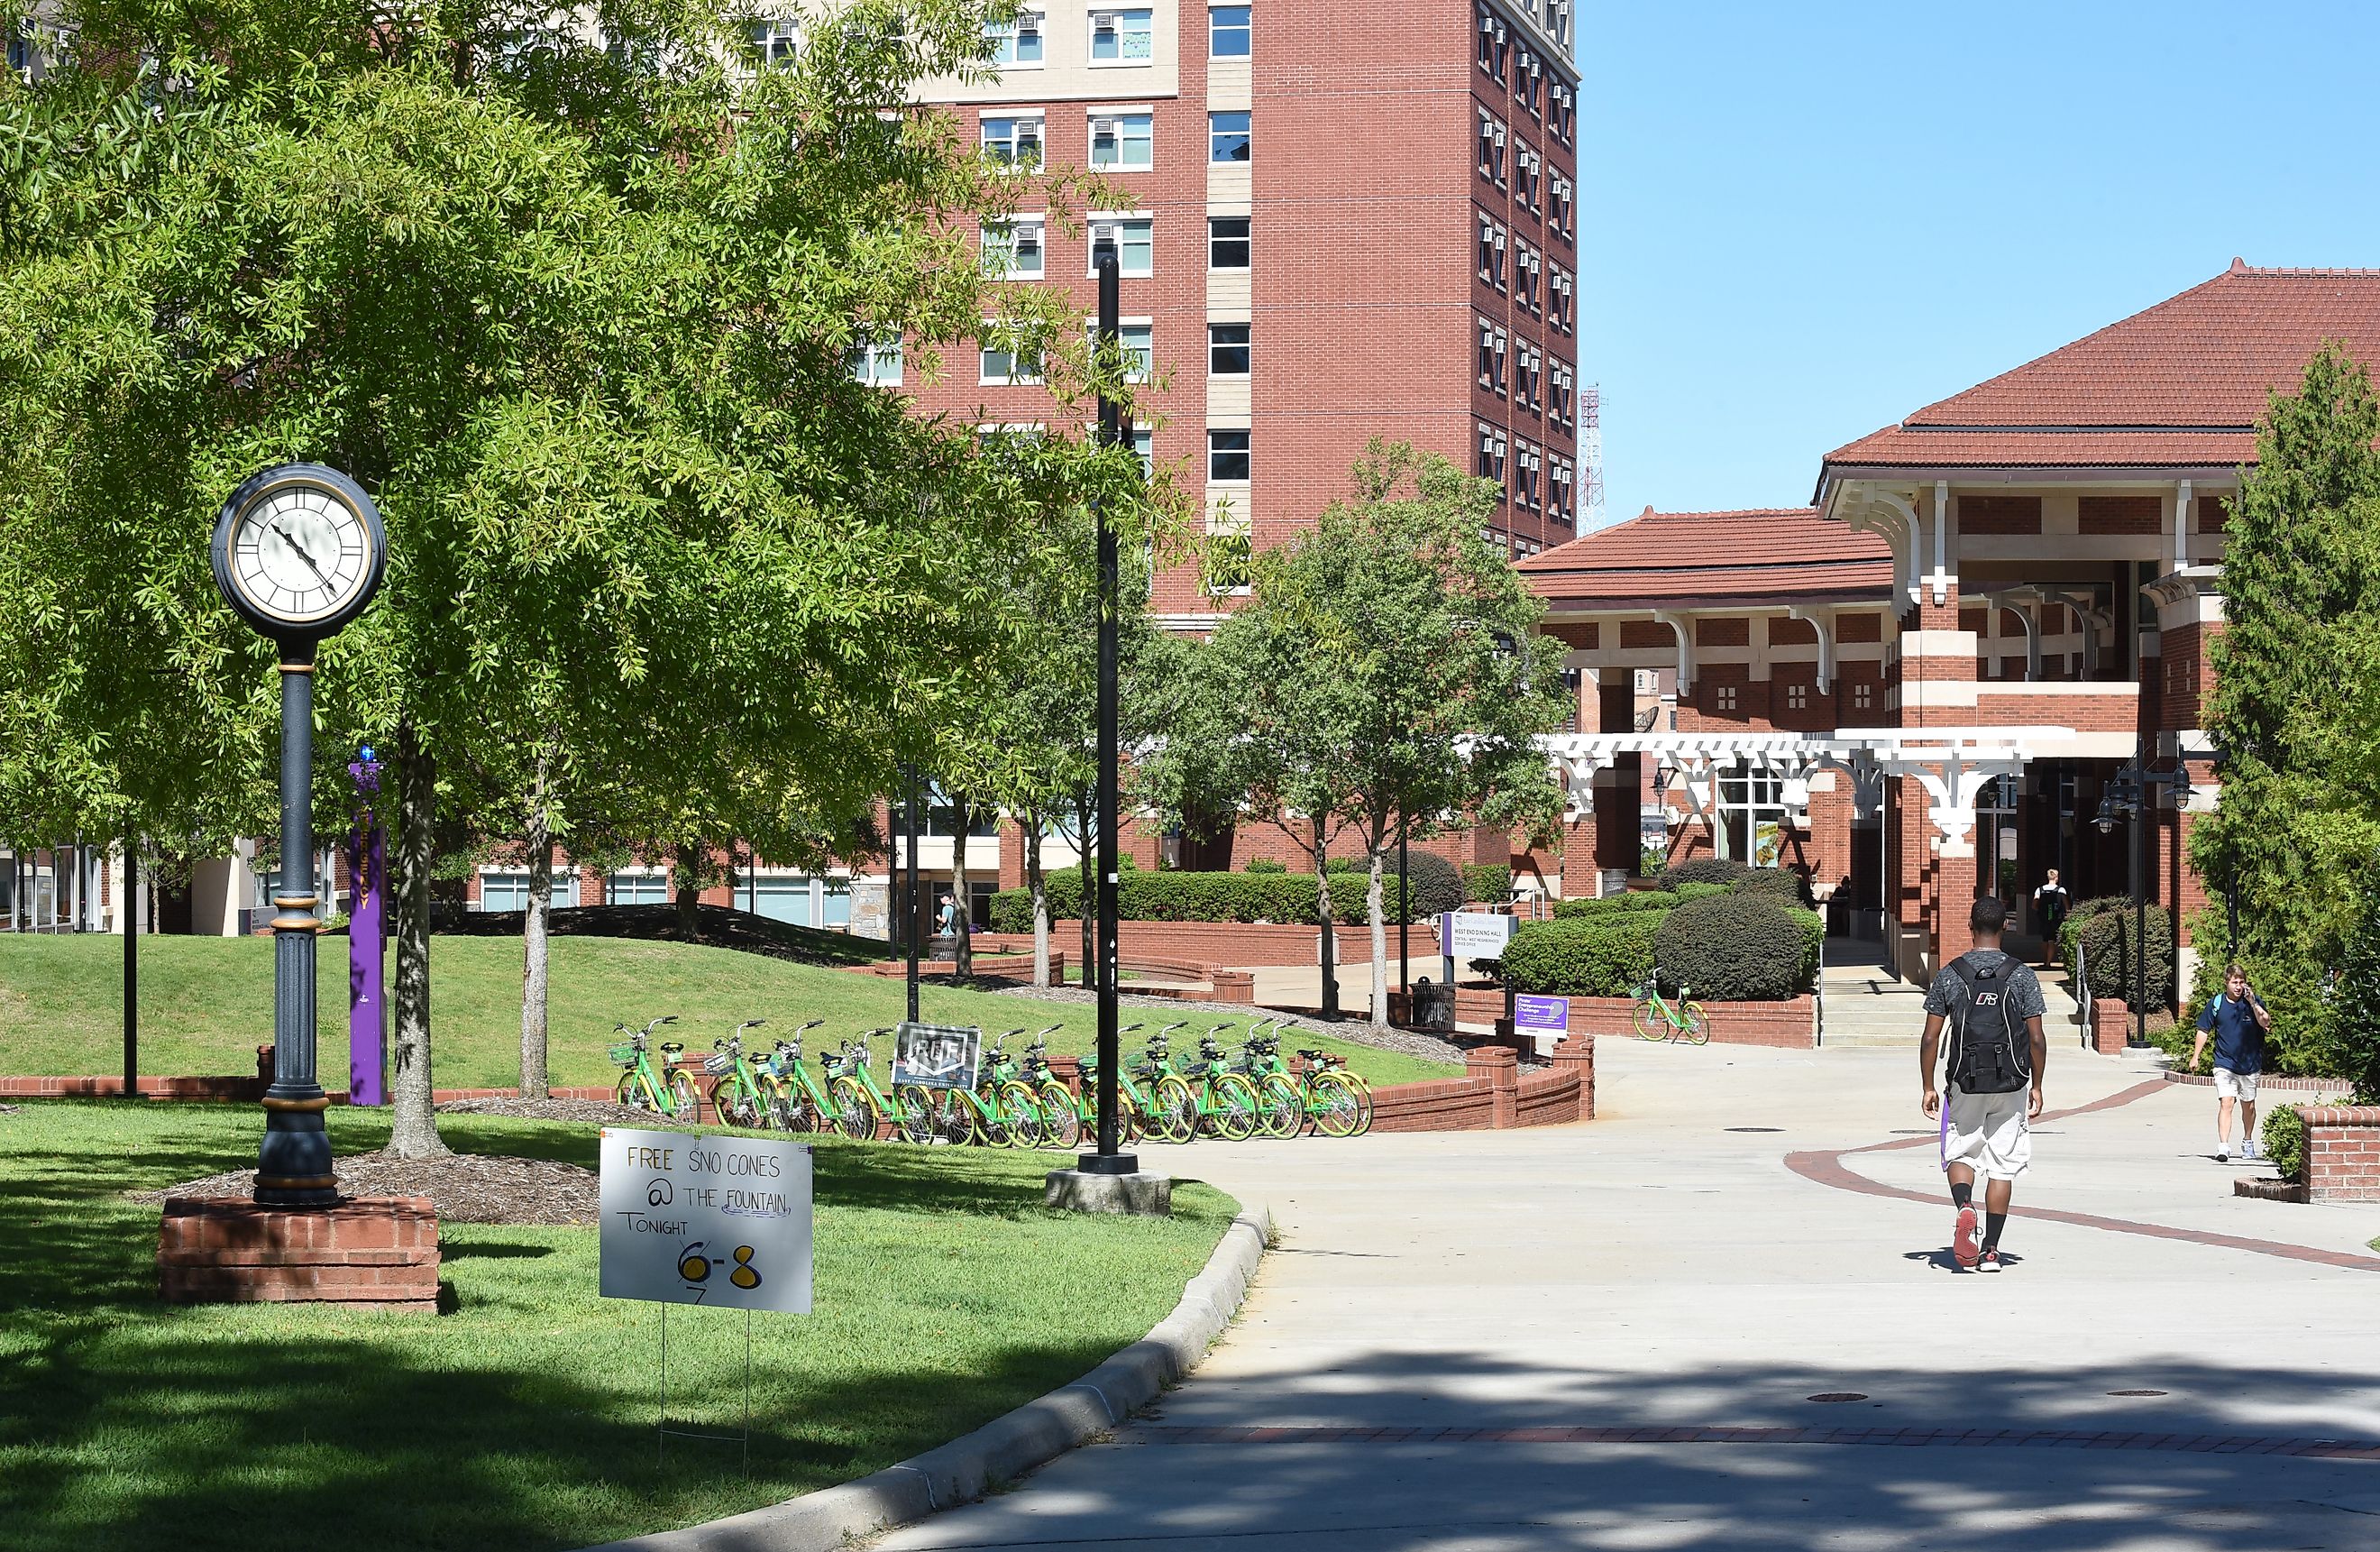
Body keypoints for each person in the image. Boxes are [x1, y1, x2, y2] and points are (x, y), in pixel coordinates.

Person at [1919, 895, 2049, 1272]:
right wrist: (2037, 1085)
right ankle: (1991, 1250)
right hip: (2011, 1082)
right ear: (2005, 926)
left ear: (1970, 927)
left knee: (1961, 1153)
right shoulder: (2022, 974)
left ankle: (1964, 1207)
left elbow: (1930, 1038)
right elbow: (2036, 1039)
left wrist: (1928, 1084)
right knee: (2003, 1166)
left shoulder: (1951, 973)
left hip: (1964, 1080)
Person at [2191, 963, 2274, 1163]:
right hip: (2224, 1062)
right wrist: (2196, 1056)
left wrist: (2253, 1002)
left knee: (2249, 1106)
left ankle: (2247, 1141)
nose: (2238, 986)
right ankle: (2224, 1146)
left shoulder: (2252, 1002)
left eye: (2241, 982)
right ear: (2226, 983)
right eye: (2234, 982)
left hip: (2250, 1063)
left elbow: (2266, 1022)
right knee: (2226, 1102)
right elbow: (2203, 1030)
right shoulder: (2216, 1003)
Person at [2032, 868, 2070, 966]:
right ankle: (2048, 962)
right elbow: (2066, 905)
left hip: (2044, 918)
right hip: (2056, 918)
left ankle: (2045, 960)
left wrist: (2040, 911)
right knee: (2052, 940)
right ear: (2056, 878)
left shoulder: (2039, 890)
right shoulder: (2061, 890)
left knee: (2045, 939)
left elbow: (2034, 904)